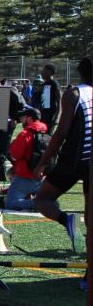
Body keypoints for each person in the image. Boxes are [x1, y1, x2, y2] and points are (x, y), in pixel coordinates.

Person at [33, 57, 93, 251]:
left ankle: (66, 220)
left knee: (42, 198)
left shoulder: (75, 93)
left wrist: (43, 162)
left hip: (75, 158)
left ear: (80, 71)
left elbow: (61, 133)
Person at [2, 107, 48, 210]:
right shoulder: (45, 132)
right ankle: (46, 202)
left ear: (29, 119)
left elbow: (14, 155)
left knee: (10, 203)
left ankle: (37, 204)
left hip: (25, 176)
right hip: (42, 177)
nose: (21, 120)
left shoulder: (25, 134)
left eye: (23, 117)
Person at [37, 64, 60, 129]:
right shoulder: (44, 84)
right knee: (41, 134)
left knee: (47, 135)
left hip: (50, 117)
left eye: (44, 70)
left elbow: (59, 101)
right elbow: (44, 102)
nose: (42, 72)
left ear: (49, 72)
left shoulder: (54, 84)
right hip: (42, 116)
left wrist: (57, 117)